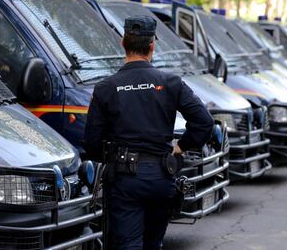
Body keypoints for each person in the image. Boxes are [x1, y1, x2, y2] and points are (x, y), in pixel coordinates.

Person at [84, 15, 214, 249]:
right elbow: (204, 122)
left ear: (123, 43)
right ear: (152, 45)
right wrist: (180, 147)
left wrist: (112, 157)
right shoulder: (171, 82)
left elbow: (91, 143)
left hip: (124, 181)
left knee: (128, 245)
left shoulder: (106, 88)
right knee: (153, 244)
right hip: (162, 177)